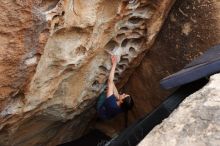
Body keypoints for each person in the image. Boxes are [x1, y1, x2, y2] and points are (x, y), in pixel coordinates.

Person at [97, 55, 134, 121]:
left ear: (121, 101)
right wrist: (112, 84)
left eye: (124, 95)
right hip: (108, 116)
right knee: (113, 89)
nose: (124, 94)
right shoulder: (124, 107)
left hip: (101, 110)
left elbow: (109, 81)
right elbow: (117, 94)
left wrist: (114, 64)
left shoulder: (111, 103)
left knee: (104, 92)